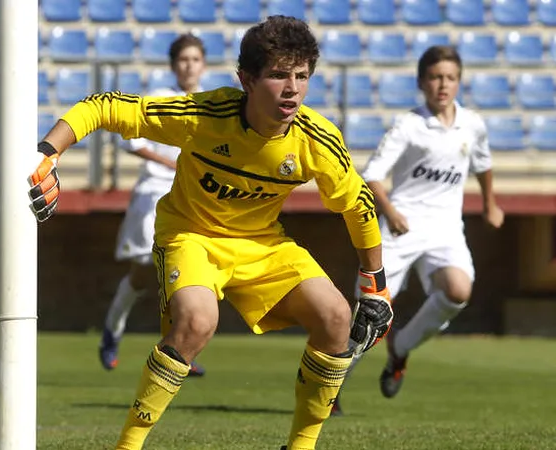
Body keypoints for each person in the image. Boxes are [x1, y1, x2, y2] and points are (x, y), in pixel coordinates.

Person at [28, 16, 394, 450]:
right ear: (246, 79)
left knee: (336, 319)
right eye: (278, 75)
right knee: (198, 322)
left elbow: (359, 204)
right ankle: (127, 445)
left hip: (263, 243)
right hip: (191, 235)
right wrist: (46, 154)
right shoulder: (203, 115)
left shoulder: (318, 141)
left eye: (301, 76)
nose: (292, 88)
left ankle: (301, 445)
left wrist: (376, 285)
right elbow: (103, 106)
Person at [334, 46, 503, 411]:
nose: (443, 85)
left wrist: (490, 203)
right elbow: (373, 176)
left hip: (445, 230)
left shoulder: (471, 124)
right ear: (422, 82)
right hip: (401, 227)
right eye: (436, 77)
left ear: (459, 82)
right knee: (371, 312)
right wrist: (391, 212)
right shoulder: (408, 125)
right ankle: (329, 390)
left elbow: (483, 163)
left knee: (458, 291)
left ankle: (402, 348)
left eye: (451, 78)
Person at [99, 33, 206, 377]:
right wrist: (170, 163)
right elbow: (130, 140)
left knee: (183, 273)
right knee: (144, 272)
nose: (189, 65)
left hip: (192, 197)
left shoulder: (209, 103)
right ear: (174, 65)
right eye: (183, 59)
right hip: (156, 192)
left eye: (195, 59)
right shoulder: (161, 98)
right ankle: (112, 330)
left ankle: (178, 350)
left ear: (203, 64)